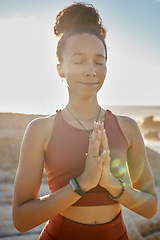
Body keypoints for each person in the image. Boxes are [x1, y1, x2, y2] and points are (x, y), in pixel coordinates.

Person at [12, 2, 158, 240]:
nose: (91, 70)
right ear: (60, 69)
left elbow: (150, 207)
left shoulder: (127, 127)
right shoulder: (40, 129)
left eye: (99, 61)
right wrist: (81, 184)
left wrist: (113, 186)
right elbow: (21, 219)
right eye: (79, 61)